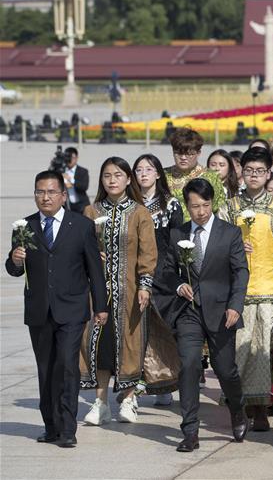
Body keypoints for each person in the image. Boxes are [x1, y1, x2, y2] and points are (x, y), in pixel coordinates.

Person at [6, 171, 107, 448]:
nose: (45, 197)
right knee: (46, 368)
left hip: (72, 309)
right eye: (40, 192)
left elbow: (94, 270)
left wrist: (101, 306)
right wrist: (15, 260)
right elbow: (14, 269)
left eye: (51, 192)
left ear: (63, 195)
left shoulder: (81, 225)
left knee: (66, 365)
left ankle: (67, 429)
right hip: (39, 311)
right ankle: (50, 426)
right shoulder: (24, 226)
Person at [156, 177, 249, 452]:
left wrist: (236, 305)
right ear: (187, 206)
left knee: (226, 370)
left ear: (213, 203)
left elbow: (240, 272)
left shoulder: (230, 233)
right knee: (189, 366)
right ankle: (190, 430)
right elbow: (167, 270)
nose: (200, 211)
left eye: (205, 205)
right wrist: (178, 284)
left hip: (222, 312)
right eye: (194, 206)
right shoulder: (177, 234)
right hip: (189, 312)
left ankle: (238, 410)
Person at [80, 157, 158, 426]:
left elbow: (148, 253)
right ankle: (100, 403)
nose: (112, 180)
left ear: (128, 179)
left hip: (130, 291)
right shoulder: (91, 211)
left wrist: (145, 285)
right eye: (106, 175)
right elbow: (81, 250)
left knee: (129, 343)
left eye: (117, 175)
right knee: (100, 344)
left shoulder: (139, 213)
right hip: (98, 292)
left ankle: (127, 399)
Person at [219, 148, 273, 431]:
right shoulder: (229, 207)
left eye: (259, 171)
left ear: (269, 174)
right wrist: (234, 246)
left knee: (265, 351)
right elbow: (217, 246)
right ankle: (239, 405)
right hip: (239, 291)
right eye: (248, 170)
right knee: (239, 350)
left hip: (270, 289)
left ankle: (261, 405)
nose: (253, 176)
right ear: (241, 172)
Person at [132, 154, 184, 406]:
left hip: (163, 274)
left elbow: (177, 243)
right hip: (133, 273)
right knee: (137, 331)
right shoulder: (129, 204)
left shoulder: (171, 204)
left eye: (148, 169)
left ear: (158, 174)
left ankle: (165, 381)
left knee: (163, 329)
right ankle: (136, 382)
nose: (143, 174)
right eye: (139, 169)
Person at [165, 127, 226, 218]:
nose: (183, 158)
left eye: (189, 154)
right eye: (178, 153)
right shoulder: (163, 175)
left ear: (198, 153)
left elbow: (219, 210)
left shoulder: (210, 177)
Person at [62, 147, 89, 214]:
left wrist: (71, 180)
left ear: (77, 158)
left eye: (72, 158)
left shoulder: (83, 171)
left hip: (81, 205)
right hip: (66, 205)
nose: (70, 160)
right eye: (68, 157)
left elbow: (84, 187)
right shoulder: (61, 171)